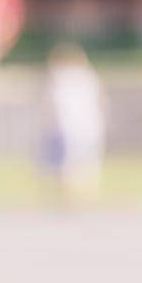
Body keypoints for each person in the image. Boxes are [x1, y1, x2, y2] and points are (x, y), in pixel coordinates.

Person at [40, 42, 107, 202]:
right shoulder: (89, 76)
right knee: (86, 163)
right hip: (90, 126)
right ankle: (85, 194)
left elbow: (51, 105)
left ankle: (71, 196)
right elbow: (101, 100)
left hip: (69, 126)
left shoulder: (60, 78)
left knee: (69, 164)